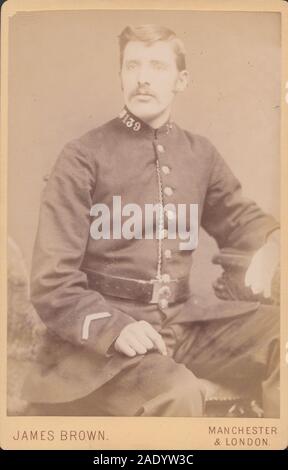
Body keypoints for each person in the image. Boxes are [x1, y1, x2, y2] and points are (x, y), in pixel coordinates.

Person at [22, 24, 280, 417]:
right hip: (101, 343)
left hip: (184, 322)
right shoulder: (82, 156)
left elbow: (241, 219)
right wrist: (114, 328)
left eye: (157, 67)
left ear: (181, 80)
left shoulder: (200, 154)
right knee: (176, 393)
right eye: (132, 66)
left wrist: (272, 241)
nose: (143, 78)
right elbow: (51, 281)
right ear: (121, 75)